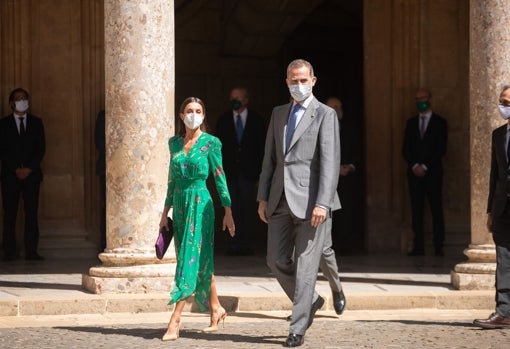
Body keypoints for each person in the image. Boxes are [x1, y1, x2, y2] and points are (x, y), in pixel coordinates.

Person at [257, 59, 341, 347]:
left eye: (304, 80)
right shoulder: (278, 113)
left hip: (311, 203)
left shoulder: (325, 114)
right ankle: (311, 300)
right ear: (287, 81)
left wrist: (323, 203)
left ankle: (297, 328)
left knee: (306, 266)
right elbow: (269, 158)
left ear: (314, 81)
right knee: (275, 260)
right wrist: (262, 197)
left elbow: (330, 163)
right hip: (279, 199)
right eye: (294, 80)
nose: (299, 85)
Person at [159, 97, 235, 341]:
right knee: (197, 258)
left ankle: (175, 319)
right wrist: (164, 214)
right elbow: (171, 180)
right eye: (189, 111)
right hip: (180, 205)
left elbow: (219, 176)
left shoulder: (211, 143)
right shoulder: (174, 144)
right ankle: (216, 308)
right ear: (181, 116)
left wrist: (228, 210)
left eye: (198, 110)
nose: (194, 114)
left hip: (201, 205)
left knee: (187, 260)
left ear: (204, 115)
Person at [474, 85, 510, 329]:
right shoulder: (498, 134)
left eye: (507, 101)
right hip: (502, 208)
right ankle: (504, 311)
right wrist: (489, 210)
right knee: (504, 259)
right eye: (502, 101)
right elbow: (494, 175)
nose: (503, 106)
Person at [215, 86, 266, 256]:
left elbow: (262, 148)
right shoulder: (223, 120)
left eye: (238, 97)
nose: (235, 100)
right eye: (232, 97)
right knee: (231, 208)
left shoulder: (256, 120)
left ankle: (246, 243)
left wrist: (261, 174)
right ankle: (233, 243)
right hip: (229, 173)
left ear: (246, 99)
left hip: (249, 174)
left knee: (247, 209)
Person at [0, 87, 46, 261]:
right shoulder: (3, 124)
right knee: (9, 213)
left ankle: (31, 251)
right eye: (18, 99)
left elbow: (41, 149)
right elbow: (3, 150)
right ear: (12, 103)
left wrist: (29, 168)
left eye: (24, 98)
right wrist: (15, 169)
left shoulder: (36, 122)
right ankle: (9, 251)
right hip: (10, 176)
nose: (22, 101)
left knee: (31, 214)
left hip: (32, 175)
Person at [402, 88, 447, 256]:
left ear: (430, 98)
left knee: (436, 208)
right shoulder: (411, 123)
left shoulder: (440, 122)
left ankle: (438, 245)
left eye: (423, 98)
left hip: (433, 173)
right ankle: (418, 246)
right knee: (416, 210)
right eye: (417, 98)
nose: (420, 101)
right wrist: (414, 165)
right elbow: (406, 148)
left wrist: (426, 166)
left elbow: (441, 149)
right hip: (414, 174)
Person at [94, 110, 106, 252]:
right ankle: (104, 243)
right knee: (107, 207)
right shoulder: (103, 114)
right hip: (107, 168)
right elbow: (99, 141)